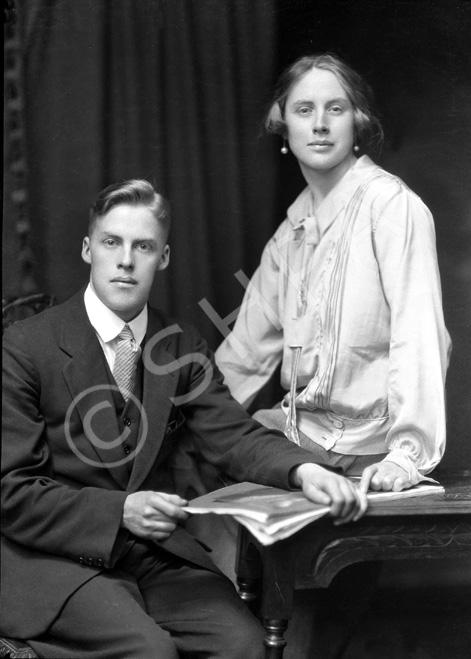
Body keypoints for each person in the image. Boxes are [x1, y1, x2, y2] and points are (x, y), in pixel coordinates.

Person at [1, 179, 367, 659]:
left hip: (151, 556)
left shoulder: (180, 346)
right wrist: (120, 511)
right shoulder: (25, 346)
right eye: (112, 242)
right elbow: (10, 490)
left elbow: (233, 436)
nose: (126, 260)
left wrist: (306, 469)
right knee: (148, 652)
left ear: (164, 257)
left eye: (144, 246)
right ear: (89, 249)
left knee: (243, 646)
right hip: (53, 560)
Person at [215, 53, 451, 494]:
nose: (320, 124)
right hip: (297, 437)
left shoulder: (391, 207)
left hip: (370, 448)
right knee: (195, 481)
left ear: (356, 122)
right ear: (283, 126)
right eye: (304, 110)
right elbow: (245, 353)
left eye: (335, 109)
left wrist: (406, 455)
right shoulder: (291, 234)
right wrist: (185, 424)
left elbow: (419, 337)